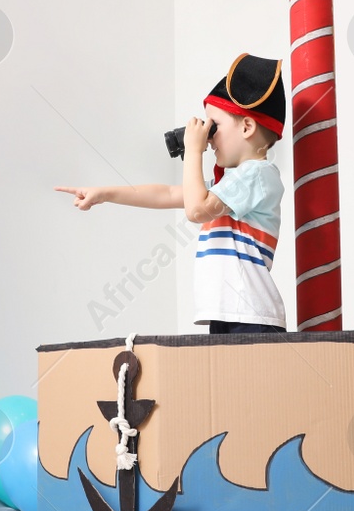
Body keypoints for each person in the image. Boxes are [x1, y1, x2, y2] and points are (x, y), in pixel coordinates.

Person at [57, 53, 288, 333]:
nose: (208, 137)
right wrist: (104, 193)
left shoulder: (257, 174)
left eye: (214, 126)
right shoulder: (234, 183)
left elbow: (196, 210)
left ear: (247, 127)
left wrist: (193, 150)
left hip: (250, 317)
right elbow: (166, 194)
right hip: (229, 314)